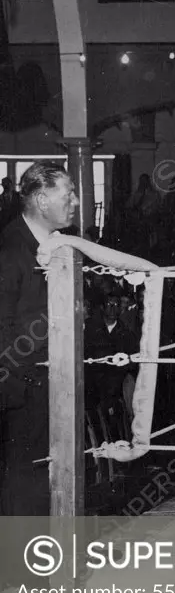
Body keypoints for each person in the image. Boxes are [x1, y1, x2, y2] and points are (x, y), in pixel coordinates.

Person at [0, 162, 79, 518]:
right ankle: (22, 570)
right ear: (43, 200)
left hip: (48, 385)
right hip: (22, 392)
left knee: (45, 483)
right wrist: (22, 385)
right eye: (69, 194)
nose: (76, 201)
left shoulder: (55, 246)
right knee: (23, 485)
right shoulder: (12, 249)